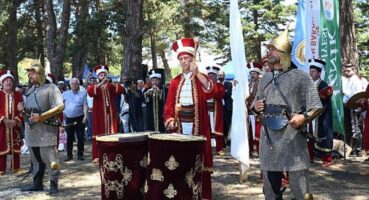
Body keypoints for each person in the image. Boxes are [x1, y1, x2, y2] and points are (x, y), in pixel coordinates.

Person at [252, 29, 322, 200]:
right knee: (270, 190)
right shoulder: (265, 78)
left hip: (292, 138)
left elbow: (317, 106)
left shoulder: (300, 77)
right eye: (269, 49)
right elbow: (255, 104)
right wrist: (255, 106)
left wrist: (302, 117)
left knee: (301, 191)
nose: (269, 53)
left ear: (283, 53)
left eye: (273, 49)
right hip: (268, 140)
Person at [164, 37, 216, 200]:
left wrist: (197, 73)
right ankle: (183, 193)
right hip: (180, 126)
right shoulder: (174, 81)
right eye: (181, 58)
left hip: (198, 125)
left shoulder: (200, 77)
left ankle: (201, 194)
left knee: (198, 159)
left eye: (186, 58)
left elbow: (212, 91)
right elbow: (168, 106)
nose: (184, 61)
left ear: (192, 59)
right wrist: (170, 119)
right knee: (182, 159)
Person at [19, 63, 64, 194]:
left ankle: (53, 185)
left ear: (39, 73)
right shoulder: (30, 90)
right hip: (32, 130)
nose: (29, 75)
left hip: (46, 129)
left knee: (50, 158)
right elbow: (31, 112)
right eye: (29, 73)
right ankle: (37, 184)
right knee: (35, 159)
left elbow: (60, 106)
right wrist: (22, 111)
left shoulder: (51, 88)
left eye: (32, 73)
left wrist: (42, 116)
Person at [87, 65, 124, 163]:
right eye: (101, 75)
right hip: (99, 114)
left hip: (110, 113)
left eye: (104, 75)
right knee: (99, 131)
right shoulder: (95, 86)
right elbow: (90, 92)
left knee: (111, 131)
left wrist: (111, 82)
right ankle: (98, 155)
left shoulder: (110, 86)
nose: (103, 76)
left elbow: (120, 90)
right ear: (98, 76)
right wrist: (100, 84)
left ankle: (112, 153)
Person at [308, 58, 334, 166]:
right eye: (310, 71)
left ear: (319, 73)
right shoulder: (309, 84)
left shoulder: (323, 84)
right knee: (310, 135)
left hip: (322, 115)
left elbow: (325, 96)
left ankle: (327, 158)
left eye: (313, 71)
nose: (311, 73)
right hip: (311, 114)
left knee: (324, 134)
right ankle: (311, 156)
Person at [0, 69, 23, 175]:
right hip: (2, 126)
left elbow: (22, 111)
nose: (8, 82)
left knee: (16, 146)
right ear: (2, 82)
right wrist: (3, 119)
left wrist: (16, 120)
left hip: (15, 126)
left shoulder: (18, 95)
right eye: (6, 81)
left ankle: (16, 168)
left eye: (10, 80)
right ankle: (1, 169)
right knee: (1, 145)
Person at [62, 78, 88, 161]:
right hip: (68, 118)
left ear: (79, 84)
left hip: (80, 117)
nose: (74, 85)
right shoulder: (64, 94)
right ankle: (69, 155)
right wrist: (62, 116)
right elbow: (60, 106)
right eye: (72, 83)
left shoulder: (83, 93)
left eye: (76, 83)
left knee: (80, 137)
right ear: (70, 84)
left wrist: (85, 116)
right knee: (69, 137)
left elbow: (85, 105)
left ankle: (80, 154)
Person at [342, 63, 365, 156]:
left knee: (356, 129)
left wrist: (345, 92)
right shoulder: (346, 80)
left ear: (353, 70)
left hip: (354, 107)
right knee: (348, 129)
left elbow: (357, 95)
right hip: (347, 106)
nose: (346, 72)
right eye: (345, 70)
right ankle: (351, 149)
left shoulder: (356, 81)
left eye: (348, 70)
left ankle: (358, 150)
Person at [206, 66, 225, 155]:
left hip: (216, 110)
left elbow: (220, 95)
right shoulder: (204, 84)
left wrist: (213, 89)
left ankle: (219, 148)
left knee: (217, 128)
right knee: (206, 129)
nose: (211, 77)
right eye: (209, 75)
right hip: (206, 110)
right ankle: (207, 148)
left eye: (213, 75)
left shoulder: (219, 85)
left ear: (216, 76)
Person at [247, 63, 263, 157]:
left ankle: (258, 149)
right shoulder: (249, 83)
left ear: (258, 74)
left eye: (254, 73)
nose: (252, 75)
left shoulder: (260, 83)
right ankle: (251, 149)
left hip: (256, 111)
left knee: (257, 130)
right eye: (251, 73)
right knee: (250, 130)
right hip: (248, 110)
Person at [218, 70, 233, 147]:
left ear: (224, 76)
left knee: (228, 124)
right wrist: (223, 92)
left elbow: (228, 94)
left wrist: (221, 92)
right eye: (219, 75)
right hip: (220, 108)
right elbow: (217, 94)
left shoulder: (229, 84)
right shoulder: (217, 84)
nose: (220, 77)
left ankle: (229, 141)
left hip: (227, 108)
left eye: (221, 75)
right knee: (222, 125)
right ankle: (223, 141)